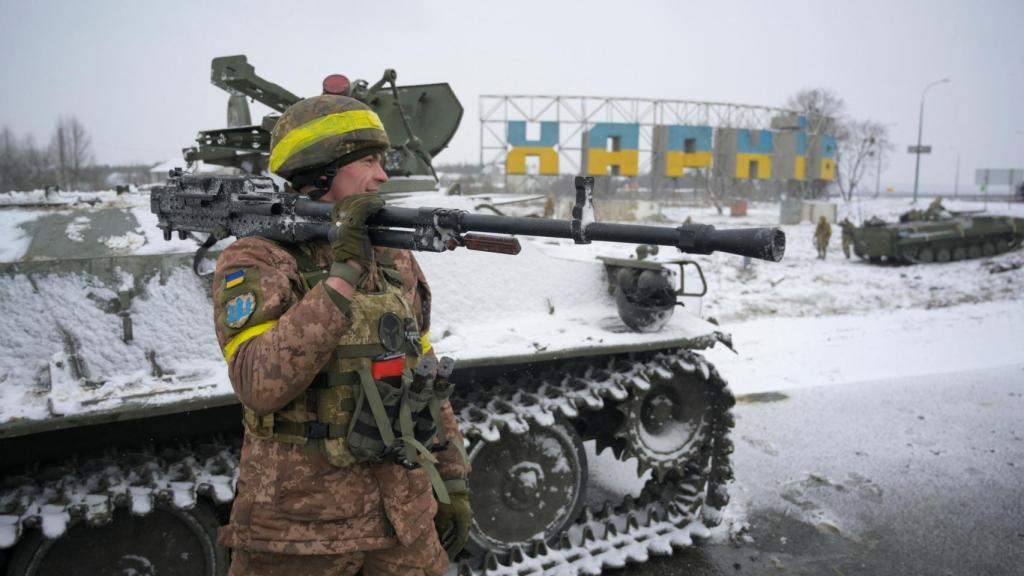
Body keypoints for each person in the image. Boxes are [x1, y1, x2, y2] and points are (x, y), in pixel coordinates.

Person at [212, 89, 470, 576]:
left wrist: (452, 480)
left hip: (404, 522)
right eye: (370, 161)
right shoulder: (257, 258)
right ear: (322, 169)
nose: (383, 175)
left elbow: (425, 374)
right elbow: (259, 384)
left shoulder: (393, 256)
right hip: (300, 536)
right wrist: (345, 271)